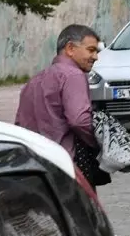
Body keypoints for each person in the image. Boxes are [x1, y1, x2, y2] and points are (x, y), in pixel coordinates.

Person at [16, 24, 103, 193]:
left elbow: (20, 124)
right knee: (81, 217)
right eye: (91, 50)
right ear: (70, 48)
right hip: (67, 166)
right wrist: (100, 142)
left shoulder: (34, 81)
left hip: (35, 168)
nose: (95, 57)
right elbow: (79, 121)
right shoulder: (73, 75)